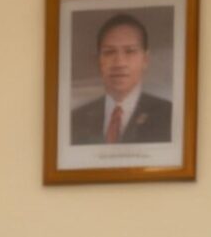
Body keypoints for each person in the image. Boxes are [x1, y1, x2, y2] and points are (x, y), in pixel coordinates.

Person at [67, 12, 171, 146]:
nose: (119, 63)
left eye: (130, 51)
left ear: (145, 59)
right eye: (109, 52)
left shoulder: (167, 115)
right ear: (98, 60)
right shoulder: (76, 119)